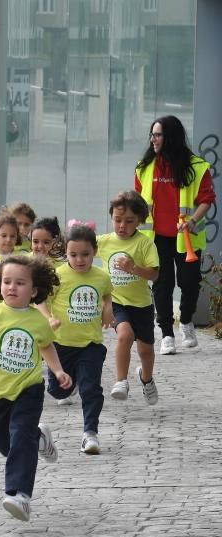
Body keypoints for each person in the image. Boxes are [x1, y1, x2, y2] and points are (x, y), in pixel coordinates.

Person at [0, 255, 68, 522]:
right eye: (6, 282)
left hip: (29, 389)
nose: (11, 287)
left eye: (20, 283)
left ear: (33, 290)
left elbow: (47, 346)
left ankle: (19, 495)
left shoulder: (37, 320)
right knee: (6, 444)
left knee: (21, 437)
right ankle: (40, 439)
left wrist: (57, 371)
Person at [134, 115, 216, 354]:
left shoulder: (196, 167)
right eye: (152, 134)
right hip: (156, 237)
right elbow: (139, 201)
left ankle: (187, 320)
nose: (153, 139)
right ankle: (167, 333)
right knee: (162, 284)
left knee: (189, 283)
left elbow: (206, 199)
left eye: (158, 134)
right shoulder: (144, 167)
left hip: (187, 237)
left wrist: (192, 220)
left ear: (170, 137)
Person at [36, 223, 113, 455]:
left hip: (91, 343)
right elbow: (40, 301)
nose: (80, 260)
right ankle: (73, 383)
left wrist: (108, 309)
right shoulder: (58, 276)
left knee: (92, 389)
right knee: (57, 391)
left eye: (85, 255)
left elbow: (107, 294)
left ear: (95, 252)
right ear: (65, 252)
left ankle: (90, 434)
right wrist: (48, 318)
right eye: (73, 255)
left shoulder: (101, 276)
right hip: (60, 345)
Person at [98, 191, 160, 405]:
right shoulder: (104, 242)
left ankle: (147, 378)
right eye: (117, 220)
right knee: (124, 335)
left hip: (141, 305)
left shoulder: (145, 244)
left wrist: (133, 268)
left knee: (146, 350)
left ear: (140, 221)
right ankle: (121, 381)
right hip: (116, 302)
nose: (122, 225)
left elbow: (154, 274)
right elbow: (81, 249)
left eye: (129, 221)